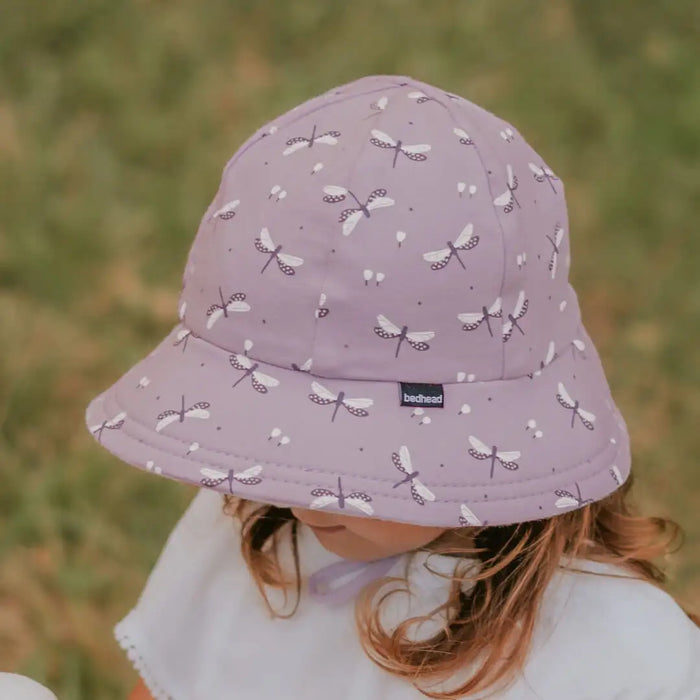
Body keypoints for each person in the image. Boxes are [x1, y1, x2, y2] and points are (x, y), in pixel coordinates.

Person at [84, 74, 700, 699]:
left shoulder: (609, 656)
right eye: (275, 447)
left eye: (341, 455)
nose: (300, 500)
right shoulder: (253, 533)